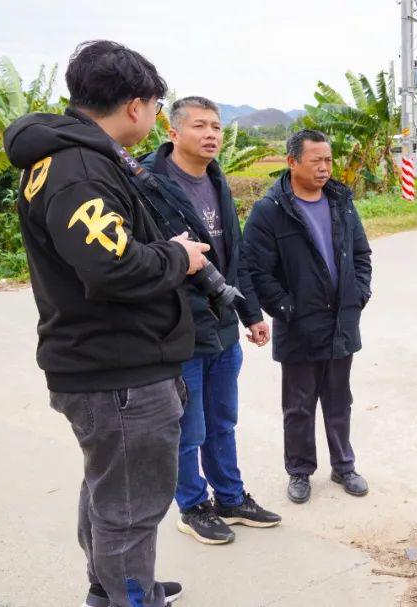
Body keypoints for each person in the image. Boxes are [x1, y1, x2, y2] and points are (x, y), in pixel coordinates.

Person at [3, 40, 210, 607]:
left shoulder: (73, 158)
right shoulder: (78, 169)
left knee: (110, 491)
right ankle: (132, 596)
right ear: (137, 105)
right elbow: (111, 266)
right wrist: (179, 257)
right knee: (129, 508)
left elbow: (106, 248)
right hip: (118, 369)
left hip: (106, 363)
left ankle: (112, 586)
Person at [138, 96, 281, 545]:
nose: (212, 134)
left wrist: (250, 313)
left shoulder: (217, 180)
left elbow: (233, 257)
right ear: (173, 133)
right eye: (199, 126)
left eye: (216, 126)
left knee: (222, 421)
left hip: (222, 329)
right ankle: (192, 505)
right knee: (187, 426)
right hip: (179, 330)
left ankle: (231, 497)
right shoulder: (147, 184)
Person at [242, 129, 372, 504]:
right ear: (292, 162)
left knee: (339, 400)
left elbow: (361, 255)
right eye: (315, 160)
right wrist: (286, 309)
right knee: (298, 405)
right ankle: (299, 471)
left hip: (341, 322)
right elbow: (256, 270)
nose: (324, 167)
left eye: (328, 160)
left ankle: (344, 465)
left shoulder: (341, 203)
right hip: (298, 325)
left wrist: (358, 294)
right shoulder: (271, 210)